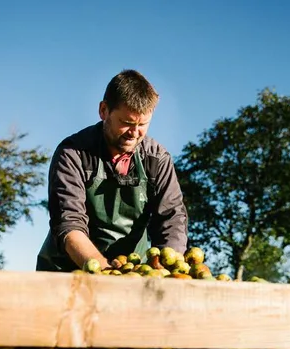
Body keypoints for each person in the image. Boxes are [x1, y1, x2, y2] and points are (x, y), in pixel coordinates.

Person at [36, 69, 188, 272]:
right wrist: (106, 272)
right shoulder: (73, 153)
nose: (134, 133)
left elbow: (172, 218)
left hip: (132, 270)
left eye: (143, 124)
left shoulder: (157, 159)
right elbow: (69, 222)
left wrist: (164, 267)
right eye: (126, 123)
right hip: (67, 269)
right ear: (103, 110)